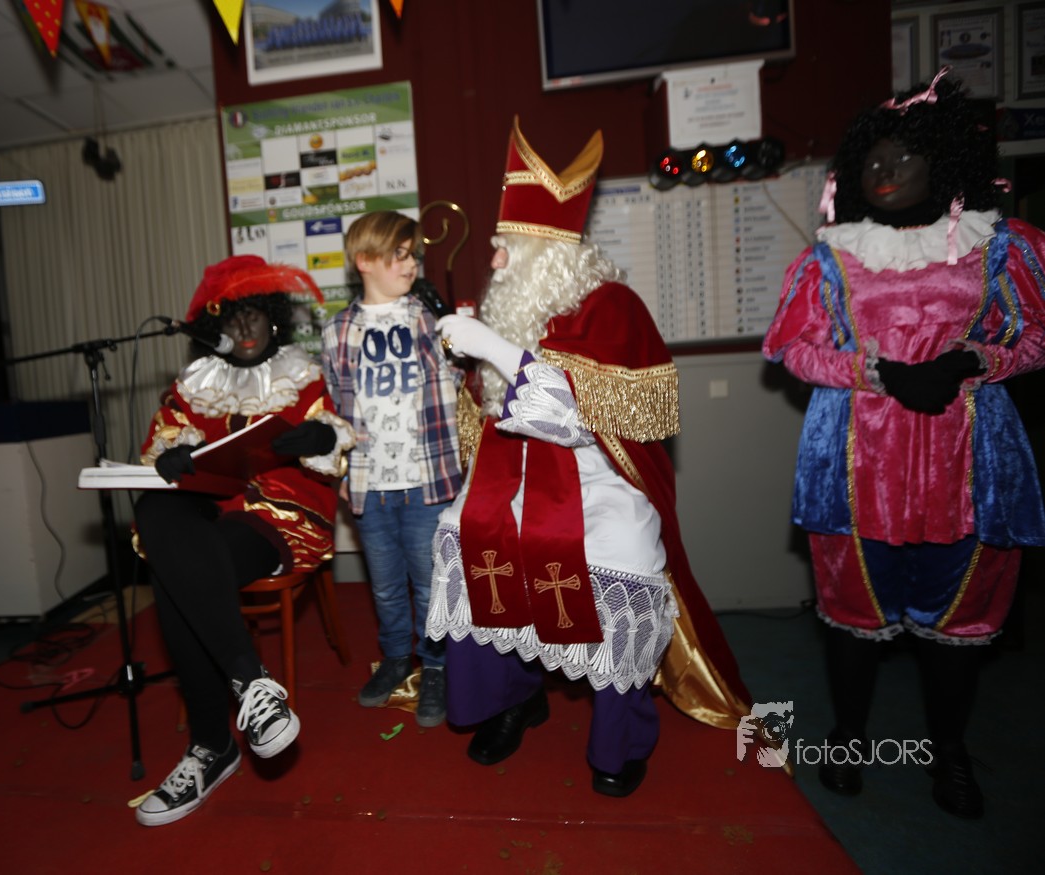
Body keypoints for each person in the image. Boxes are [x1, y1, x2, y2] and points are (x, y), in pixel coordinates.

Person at [426, 117, 750, 798]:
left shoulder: (612, 307)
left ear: (546, 251)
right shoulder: (510, 309)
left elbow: (592, 418)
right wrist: (468, 365)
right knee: (463, 532)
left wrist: (492, 348)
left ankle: (619, 739)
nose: (494, 264)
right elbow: (487, 416)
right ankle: (512, 699)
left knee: (620, 558)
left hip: (600, 477)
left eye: (505, 250)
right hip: (513, 475)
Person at [763, 69, 1045, 819]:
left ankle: (949, 751)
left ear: (942, 162)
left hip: (968, 459)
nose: (883, 170)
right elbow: (792, 349)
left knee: (956, 621)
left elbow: (1034, 336)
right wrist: (880, 372)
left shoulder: (998, 247)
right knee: (854, 615)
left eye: (902, 156)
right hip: (859, 460)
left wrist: (971, 361)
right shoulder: (831, 257)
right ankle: (848, 738)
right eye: (871, 160)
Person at [132, 255, 355, 827]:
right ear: (216, 328)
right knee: (156, 507)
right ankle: (252, 684)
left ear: (274, 318)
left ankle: (210, 746)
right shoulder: (194, 384)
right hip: (208, 513)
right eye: (232, 318)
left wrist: (319, 438)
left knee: (175, 572)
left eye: (255, 314)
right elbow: (161, 444)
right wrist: (171, 457)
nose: (245, 327)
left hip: (280, 517)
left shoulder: (302, 374)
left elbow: (335, 441)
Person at [320, 211, 465, 728]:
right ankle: (397, 658)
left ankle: (436, 665)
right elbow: (335, 408)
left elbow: (455, 383)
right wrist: (341, 470)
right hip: (370, 484)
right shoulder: (338, 330)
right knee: (383, 587)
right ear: (365, 260)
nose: (411, 264)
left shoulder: (427, 319)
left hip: (426, 480)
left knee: (429, 584)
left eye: (413, 255)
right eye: (399, 255)